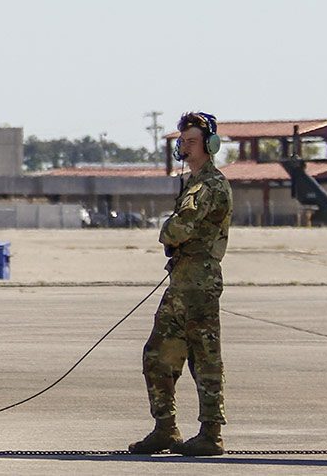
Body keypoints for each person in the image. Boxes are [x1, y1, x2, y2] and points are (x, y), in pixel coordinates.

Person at [128, 111, 233, 456]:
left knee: (205, 359)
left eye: (191, 141)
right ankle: (165, 429)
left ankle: (211, 433)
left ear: (209, 145)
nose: (184, 147)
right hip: (181, 281)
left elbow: (178, 229)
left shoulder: (209, 185)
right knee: (157, 356)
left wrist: (167, 232)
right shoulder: (192, 182)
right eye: (182, 141)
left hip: (199, 283)